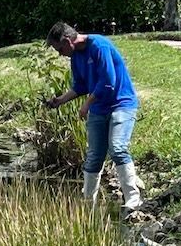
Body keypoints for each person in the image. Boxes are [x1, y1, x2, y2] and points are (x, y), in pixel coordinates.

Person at [43, 21, 141, 210]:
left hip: (121, 104)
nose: (59, 53)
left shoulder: (99, 46)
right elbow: (80, 86)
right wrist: (59, 100)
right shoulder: (75, 57)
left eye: (59, 48)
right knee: (94, 156)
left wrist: (87, 105)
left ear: (68, 41)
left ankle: (133, 198)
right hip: (99, 108)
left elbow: (108, 81)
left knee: (118, 148)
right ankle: (88, 203)